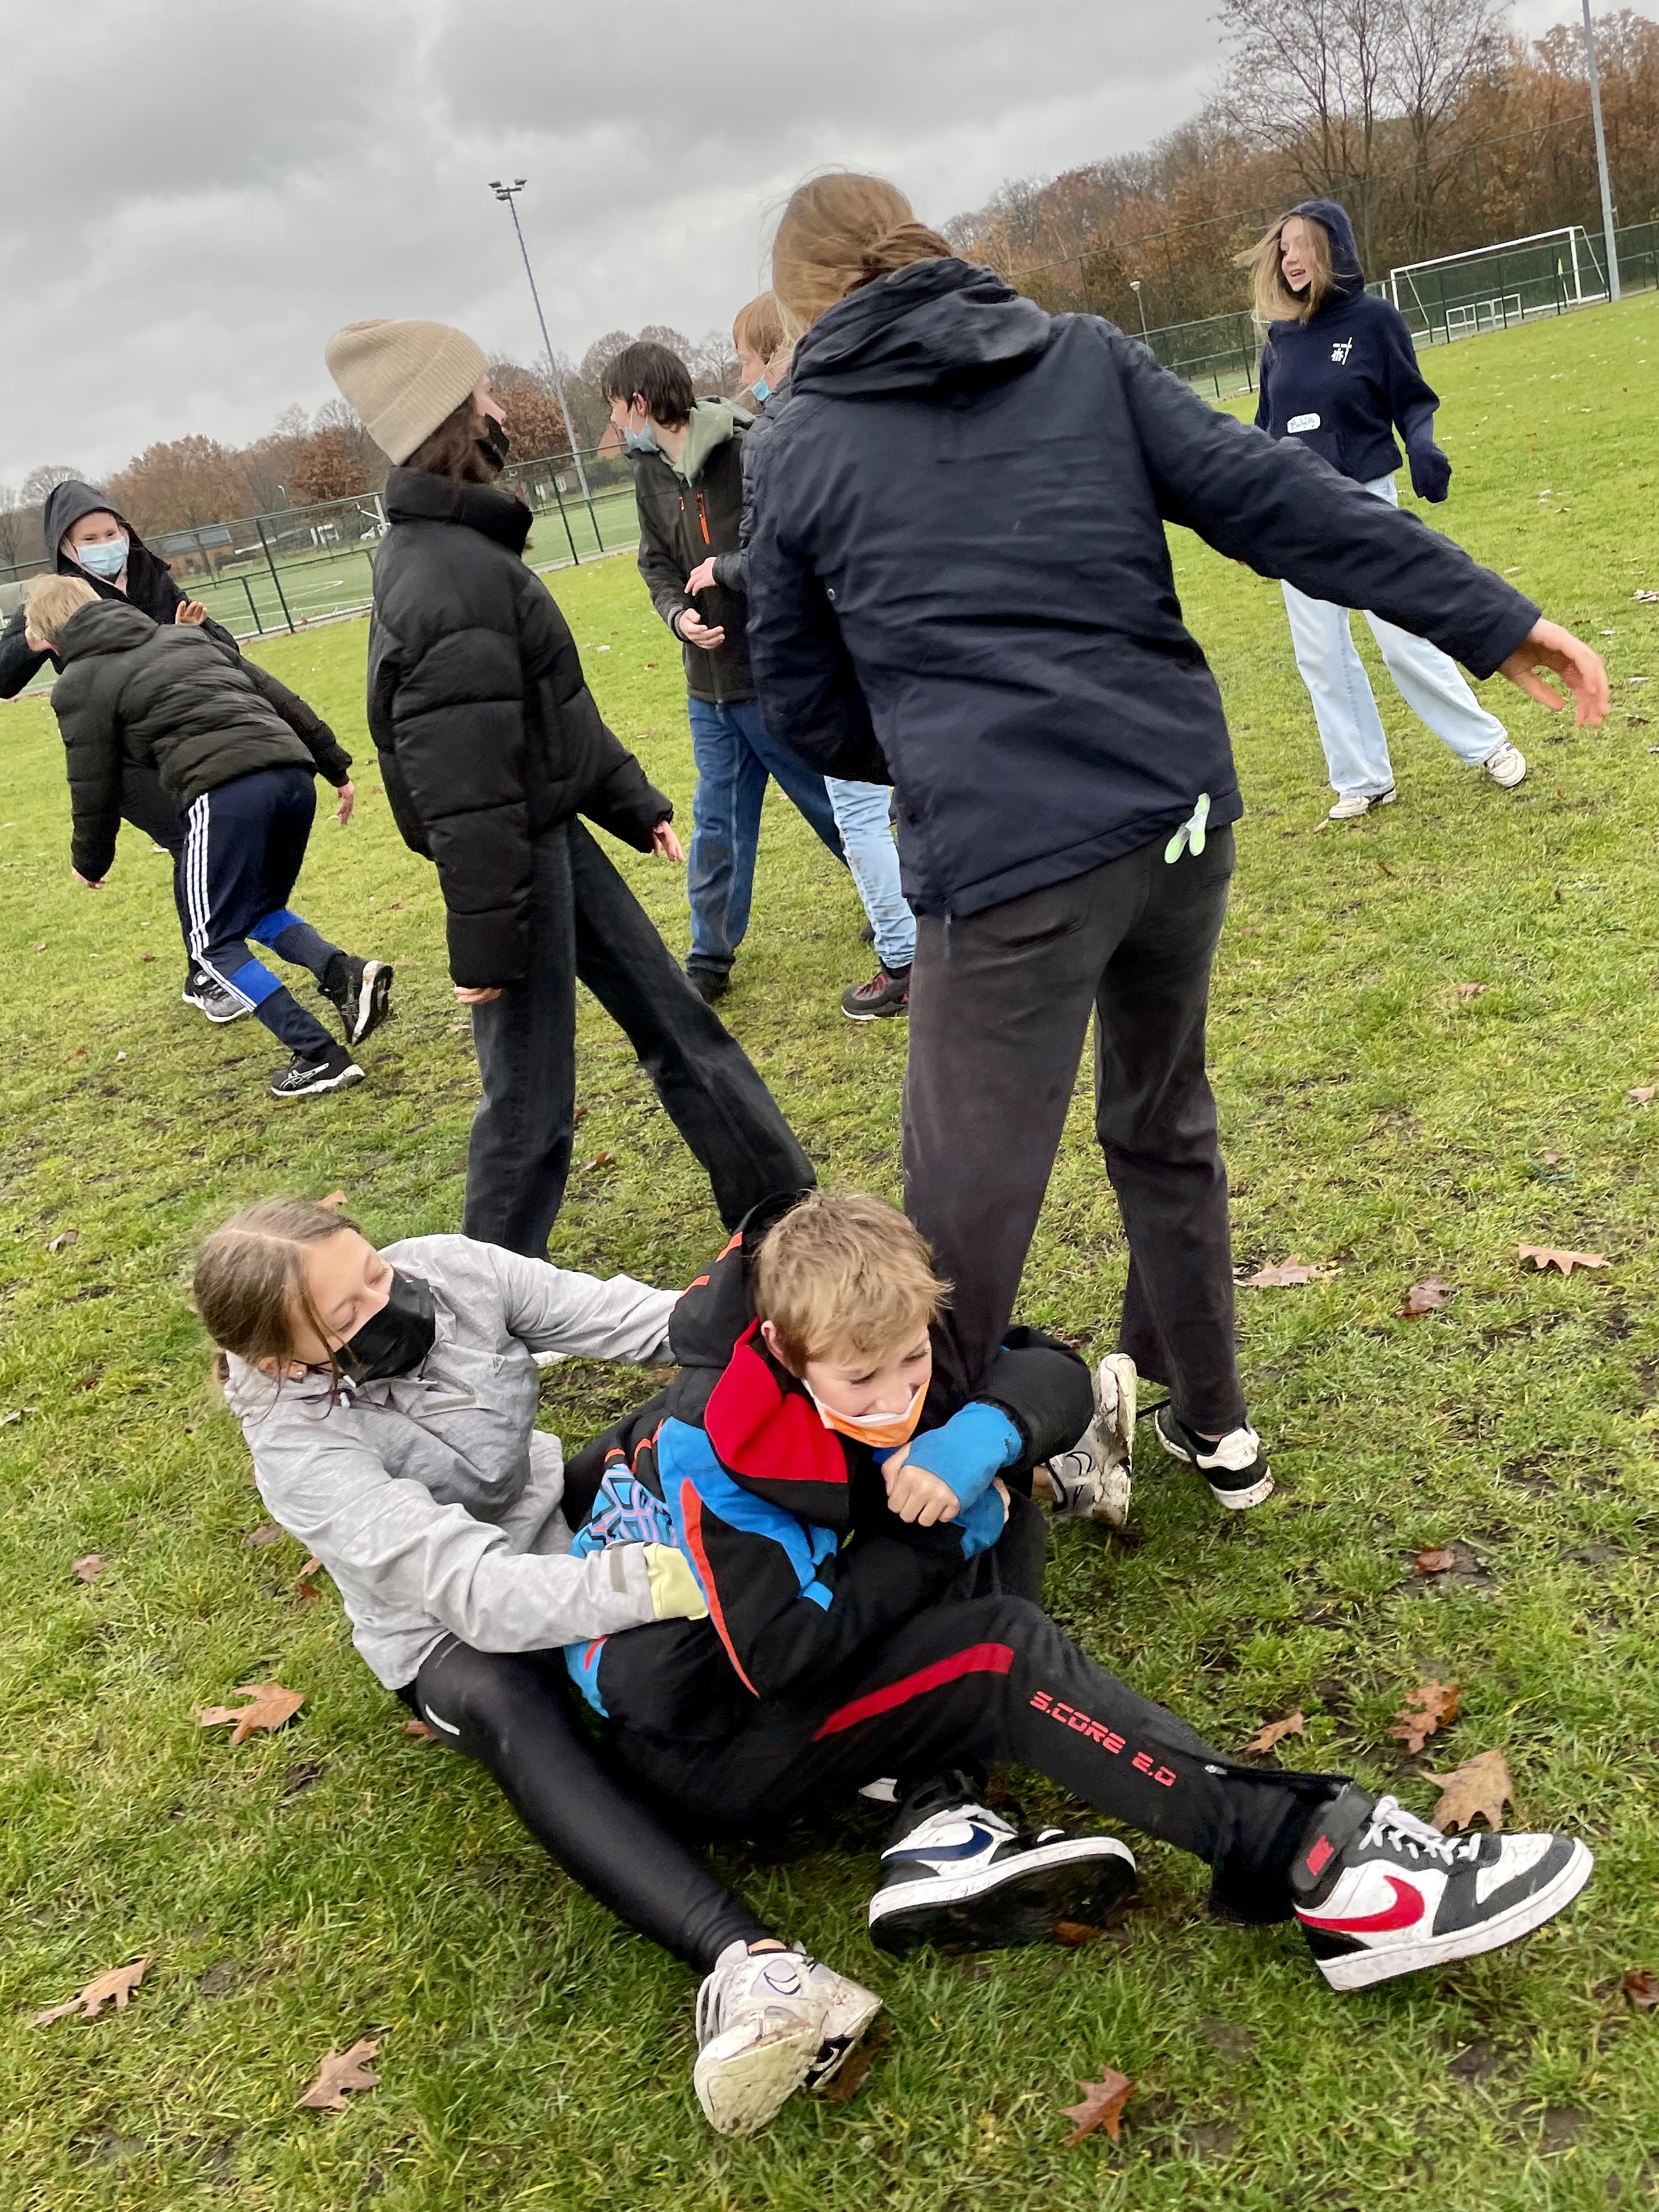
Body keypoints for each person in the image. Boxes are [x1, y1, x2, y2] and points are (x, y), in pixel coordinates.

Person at [744, 172, 1609, 1514]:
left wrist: (1483, 618)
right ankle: (1210, 1418)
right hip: (1169, 818)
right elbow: (1284, 496)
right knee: (1161, 1125)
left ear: (801, 300)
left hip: (1030, 856)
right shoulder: (1073, 357)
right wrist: (1492, 617)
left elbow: (799, 704)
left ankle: (934, 1504)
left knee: (962, 1204)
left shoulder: (816, 434)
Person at [564, 1191, 1595, 1990]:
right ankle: (1321, 1863)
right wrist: (938, 1535)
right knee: (996, 1655)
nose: (895, 1396)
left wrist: (982, 1434)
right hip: (716, 1737)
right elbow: (784, 1652)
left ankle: (937, 1815)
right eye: (860, 1381)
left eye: (911, 1360)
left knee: (999, 1490)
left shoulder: (891, 1335)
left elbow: (1047, 1371)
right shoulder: (715, 1444)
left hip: (801, 1654)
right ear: (786, 1354)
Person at [193, 1198, 882, 2136]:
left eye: (374, 1272)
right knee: (512, 1701)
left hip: (552, 1510)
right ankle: (754, 1969)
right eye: (347, 1314)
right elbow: (478, 1593)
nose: (387, 1300)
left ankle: (945, 1473)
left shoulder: (454, 1270)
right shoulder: (298, 1450)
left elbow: (643, 1322)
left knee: (695, 1413)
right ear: (285, 1360)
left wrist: (811, 1337)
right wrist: (675, 1577)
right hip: (447, 1632)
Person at [323, 318, 816, 1257]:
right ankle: (485, 1299)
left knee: (675, 1020)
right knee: (528, 1102)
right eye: (482, 394)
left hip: (546, 831)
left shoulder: (466, 553)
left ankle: (782, 1207)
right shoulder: (446, 575)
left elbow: (543, 709)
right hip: (512, 853)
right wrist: (485, 946)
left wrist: (630, 799)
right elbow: (465, 782)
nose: (499, 408)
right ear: (448, 419)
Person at [26, 574, 389, 1099]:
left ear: (49, 640)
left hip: (224, 794)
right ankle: (344, 976)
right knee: (257, 908)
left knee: (212, 942)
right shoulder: (183, 637)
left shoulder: (78, 682)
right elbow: (280, 697)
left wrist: (90, 859)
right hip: (292, 775)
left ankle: (317, 1054)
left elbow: (93, 781)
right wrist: (334, 766)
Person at [1242, 201, 1528, 820]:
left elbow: (1411, 398)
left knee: (1404, 637)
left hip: (1365, 502)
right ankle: (1363, 779)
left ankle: (1486, 745)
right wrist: (1250, 510)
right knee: (1321, 654)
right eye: (1282, 249)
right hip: (1297, 513)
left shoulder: (1374, 321)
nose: (1288, 259)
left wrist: (1421, 446)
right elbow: (1265, 429)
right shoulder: (1279, 339)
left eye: (1301, 244)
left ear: (1333, 249)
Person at [689, 294, 917, 1022]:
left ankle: (905, 960)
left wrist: (723, 570)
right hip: (902, 632)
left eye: (745, 360)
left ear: (774, 351)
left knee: (860, 814)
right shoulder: (873, 401)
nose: (741, 377)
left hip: (847, 642)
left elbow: (772, 561)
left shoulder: (783, 431)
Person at [601, 339, 848, 1006]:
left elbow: (775, 552)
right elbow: (655, 563)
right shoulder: (646, 472)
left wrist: (728, 586)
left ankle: (905, 906)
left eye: (616, 407)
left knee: (833, 810)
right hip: (706, 689)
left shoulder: (744, 450)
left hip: (768, 677)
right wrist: (676, 616)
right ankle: (708, 958)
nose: (614, 422)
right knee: (715, 822)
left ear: (640, 403)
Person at [0, 480, 302, 1023]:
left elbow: (224, 652)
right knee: (191, 839)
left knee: (212, 843)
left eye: (110, 532)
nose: (105, 545)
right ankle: (207, 970)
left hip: (177, 741)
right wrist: (29, 643)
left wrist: (195, 633)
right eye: (89, 538)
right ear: (65, 546)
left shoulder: (151, 576)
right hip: (119, 754)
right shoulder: (55, 596)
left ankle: (224, 954)